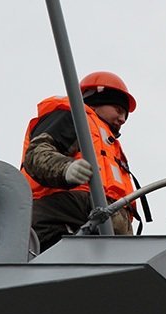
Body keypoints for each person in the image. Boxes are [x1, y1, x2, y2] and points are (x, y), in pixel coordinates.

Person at [21, 71, 140, 252]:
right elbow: (37, 153)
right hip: (62, 226)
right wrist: (66, 169)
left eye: (125, 115)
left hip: (106, 238)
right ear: (98, 100)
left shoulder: (108, 142)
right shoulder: (73, 118)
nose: (122, 119)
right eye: (118, 109)